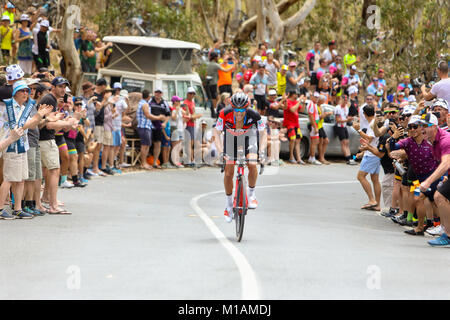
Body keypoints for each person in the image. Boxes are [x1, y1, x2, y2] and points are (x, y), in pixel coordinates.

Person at [0, 80, 53, 219]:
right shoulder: (10, 107)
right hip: (12, 146)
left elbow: (31, 125)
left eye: (27, 91)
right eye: (22, 91)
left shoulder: (23, 107)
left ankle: (17, 208)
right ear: (15, 92)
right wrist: (38, 115)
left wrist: (41, 116)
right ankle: (0, 208)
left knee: (21, 179)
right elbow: (20, 126)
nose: (26, 93)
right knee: (9, 178)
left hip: (23, 145)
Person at [213, 92, 267, 222]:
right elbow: (216, 132)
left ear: (247, 108)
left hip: (249, 137)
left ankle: (251, 194)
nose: (238, 113)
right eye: (236, 110)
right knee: (228, 172)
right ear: (232, 108)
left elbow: (263, 134)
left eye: (242, 110)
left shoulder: (254, 114)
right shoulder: (224, 113)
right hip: (231, 139)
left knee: (252, 163)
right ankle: (229, 205)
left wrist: (262, 151)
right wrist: (221, 152)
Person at [387, 115, 439, 235]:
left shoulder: (430, 141)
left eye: (414, 126)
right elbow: (393, 147)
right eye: (409, 127)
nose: (411, 129)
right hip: (418, 177)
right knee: (420, 199)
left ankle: (437, 226)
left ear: (421, 128)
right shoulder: (408, 141)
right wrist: (393, 138)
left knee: (435, 200)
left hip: (433, 175)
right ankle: (421, 227)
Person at [39, 77, 78, 215]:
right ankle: (53, 205)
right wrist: (68, 123)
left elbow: (50, 125)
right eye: (60, 86)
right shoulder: (50, 99)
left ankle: (47, 199)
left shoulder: (51, 99)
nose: (63, 89)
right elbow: (49, 124)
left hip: (46, 139)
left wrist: (65, 123)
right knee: (54, 170)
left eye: (64, 87)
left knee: (50, 170)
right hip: (45, 140)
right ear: (53, 87)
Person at [418, 114, 450, 247]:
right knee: (440, 196)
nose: (422, 129)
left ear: (435, 127)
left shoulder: (445, 140)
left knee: (439, 196)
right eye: (421, 126)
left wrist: (427, 182)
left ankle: (448, 235)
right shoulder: (430, 141)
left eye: (426, 126)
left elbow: (446, 163)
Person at [353, 105, 381, 211]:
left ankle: (372, 200)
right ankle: (377, 204)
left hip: (372, 154)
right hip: (373, 153)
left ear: (364, 114)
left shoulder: (372, 123)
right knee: (375, 179)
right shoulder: (373, 122)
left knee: (360, 176)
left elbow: (370, 138)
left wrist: (358, 130)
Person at [149, 87, 171, 168]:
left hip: (159, 126)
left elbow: (168, 114)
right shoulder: (150, 101)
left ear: (162, 94)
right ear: (154, 93)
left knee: (158, 143)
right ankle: (144, 162)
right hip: (149, 124)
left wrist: (165, 123)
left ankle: (155, 162)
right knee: (147, 144)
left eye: (159, 92)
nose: (158, 94)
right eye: (156, 92)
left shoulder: (164, 102)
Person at [334, 95, 356, 165]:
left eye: (346, 101)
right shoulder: (337, 108)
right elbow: (337, 120)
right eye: (344, 100)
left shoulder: (346, 108)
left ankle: (350, 157)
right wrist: (347, 119)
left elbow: (346, 117)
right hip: (339, 126)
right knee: (343, 142)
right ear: (341, 100)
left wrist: (351, 118)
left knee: (347, 142)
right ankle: (347, 158)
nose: (345, 102)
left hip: (344, 126)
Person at [183, 86, 202, 166]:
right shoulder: (185, 103)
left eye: (193, 94)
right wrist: (196, 116)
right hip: (187, 125)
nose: (192, 95)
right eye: (190, 93)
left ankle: (191, 159)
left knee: (192, 143)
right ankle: (189, 160)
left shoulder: (192, 102)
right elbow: (188, 116)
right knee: (189, 143)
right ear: (187, 94)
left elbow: (193, 115)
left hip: (192, 124)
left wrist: (194, 116)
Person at [283, 90, 304, 164]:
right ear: (292, 95)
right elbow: (292, 110)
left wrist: (303, 102)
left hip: (296, 124)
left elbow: (301, 110)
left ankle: (298, 158)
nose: (297, 95)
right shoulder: (288, 101)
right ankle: (291, 156)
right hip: (289, 124)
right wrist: (299, 101)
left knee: (298, 140)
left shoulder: (296, 102)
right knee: (293, 139)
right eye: (296, 94)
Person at [170, 96, 186, 168]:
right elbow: (173, 117)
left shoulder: (180, 109)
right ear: (175, 102)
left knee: (179, 146)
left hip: (180, 128)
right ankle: (174, 161)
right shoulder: (173, 109)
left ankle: (177, 160)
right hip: (175, 128)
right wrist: (176, 110)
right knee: (175, 145)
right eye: (178, 101)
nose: (179, 103)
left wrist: (186, 108)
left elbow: (187, 114)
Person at [307, 92, 322, 165]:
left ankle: (312, 157)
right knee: (314, 141)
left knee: (315, 141)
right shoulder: (311, 104)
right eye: (315, 97)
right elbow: (311, 116)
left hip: (315, 124)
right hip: (313, 124)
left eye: (317, 97)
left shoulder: (314, 104)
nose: (316, 98)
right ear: (312, 97)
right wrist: (315, 127)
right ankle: (312, 158)